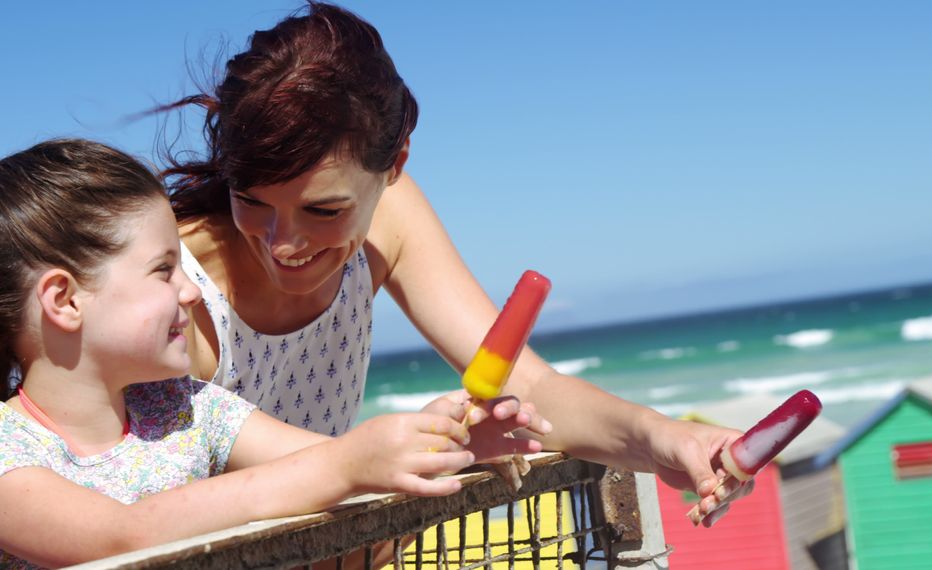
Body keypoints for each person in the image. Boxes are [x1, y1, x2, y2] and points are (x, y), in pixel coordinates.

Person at [161, 1, 750, 530]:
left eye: (322, 209)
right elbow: (142, 507)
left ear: (394, 164)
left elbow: (533, 387)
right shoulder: (169, 291)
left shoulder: (392, 218)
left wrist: (665, 438)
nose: (283, 242)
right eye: (253, 200)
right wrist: (394, 454)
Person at [0, 138, 533, 568]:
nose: (191, 290)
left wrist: (446, 443)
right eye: (164, 270)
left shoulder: (187, 408)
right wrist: (352, 462)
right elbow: (122, 536)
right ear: (64, 300)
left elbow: (319, 463)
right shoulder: (8, 451)